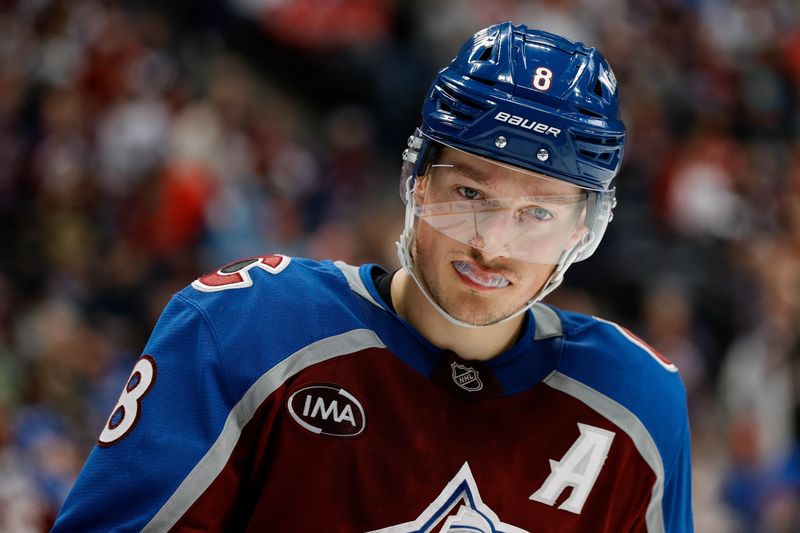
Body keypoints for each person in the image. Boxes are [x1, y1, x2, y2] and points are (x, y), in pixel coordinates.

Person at [53, 22, 693, 532]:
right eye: (469, 193)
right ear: (416, 181)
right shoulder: (247, 327)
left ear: (582, 232)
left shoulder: (638, 404)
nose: (492, 245)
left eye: (536, 214)